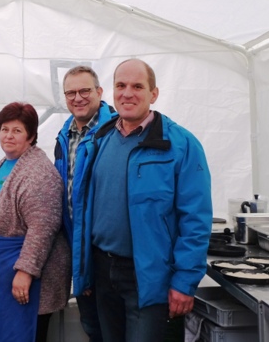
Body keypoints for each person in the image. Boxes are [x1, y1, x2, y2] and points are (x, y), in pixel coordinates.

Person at [82, 59, 212, 341]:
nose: (127, 93)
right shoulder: (100, 139)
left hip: (150, 277)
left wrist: (185, 281)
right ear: (112, 92)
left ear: (153, 94)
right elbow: (85, 208)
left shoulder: (181, 144)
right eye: (121, 86)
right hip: (104, 271)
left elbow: (196, 219)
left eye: (137, 86)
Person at [0, 102, 71, 342]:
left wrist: (25, 272)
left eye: (17, 130)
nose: (8, 135)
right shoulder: (6, 162)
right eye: (4, 129)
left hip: (11, 273)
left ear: (31, 135)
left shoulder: (39, 172)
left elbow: (43, 227)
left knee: (11, 334)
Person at [54, 65, 116, 342]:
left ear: (99, 92)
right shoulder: (64, 135)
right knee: (91, 324)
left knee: (113, 326)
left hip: (108, 251)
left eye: (84, 91)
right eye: (71, 93)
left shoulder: (115, 132)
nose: (77, 98)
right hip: (77, 246)